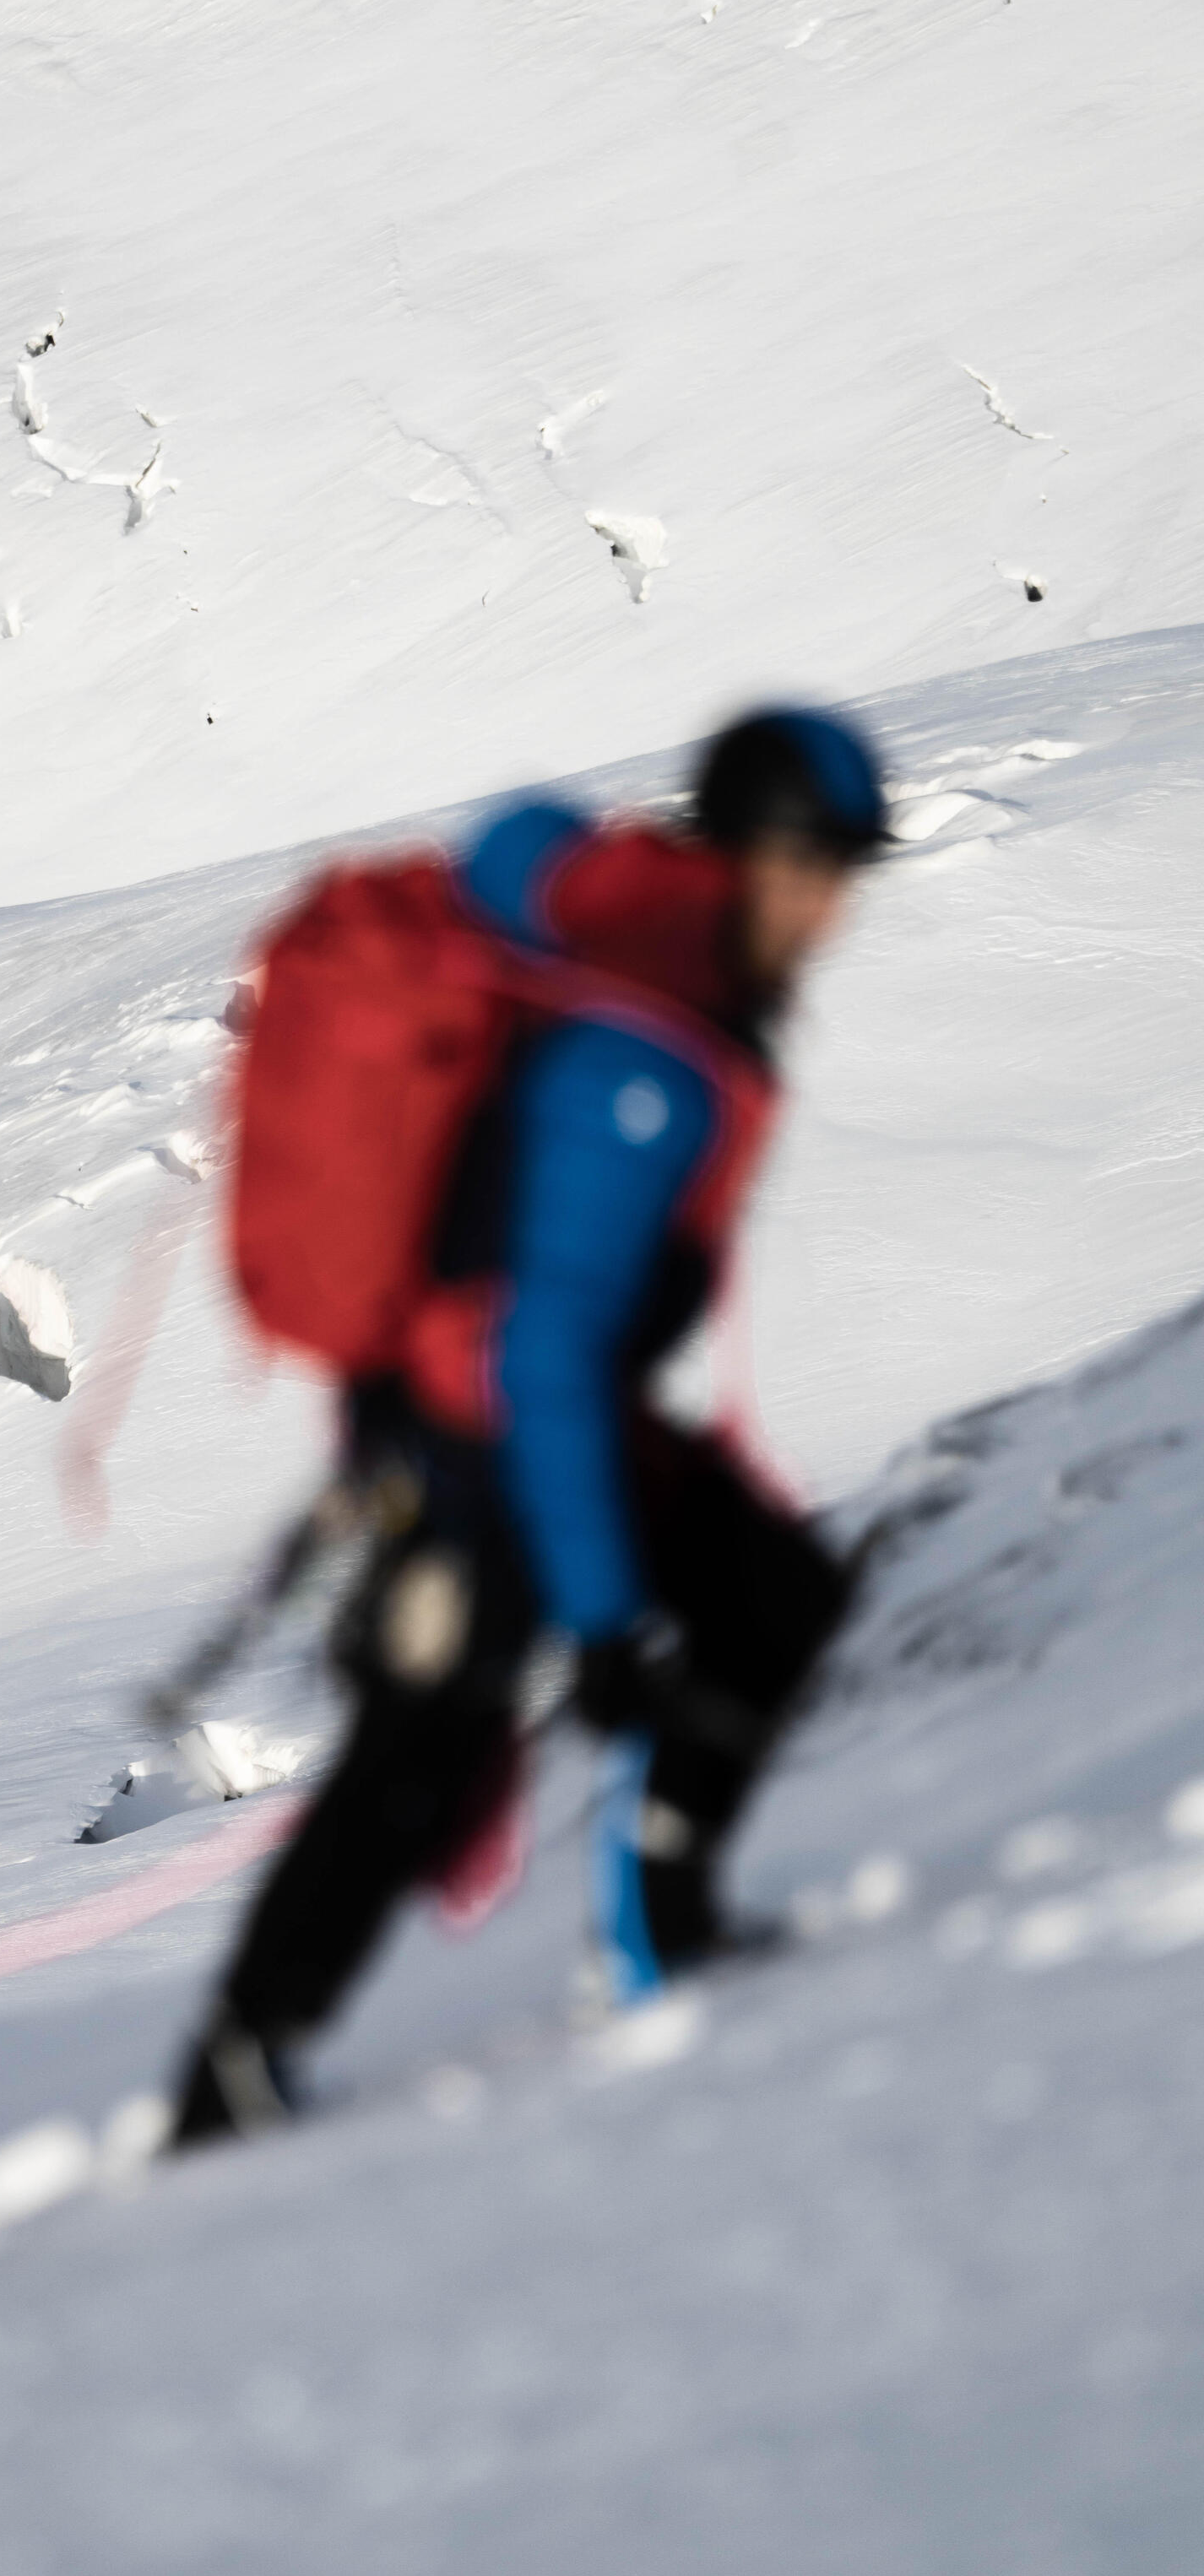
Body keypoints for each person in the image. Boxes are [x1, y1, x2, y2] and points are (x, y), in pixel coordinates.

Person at [170, 706, 887, 2149]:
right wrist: (609, 1624)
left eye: (846, 865)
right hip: (478, 1430)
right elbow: (542, 1345)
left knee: (772, 1595)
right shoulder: (650, 1047)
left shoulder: (661, 967)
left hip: (522, 1412)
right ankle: (235, 2073)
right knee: (424, 1742)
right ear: (739, 853)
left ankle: (666, 1929)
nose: (830, 899)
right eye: (809, 859)